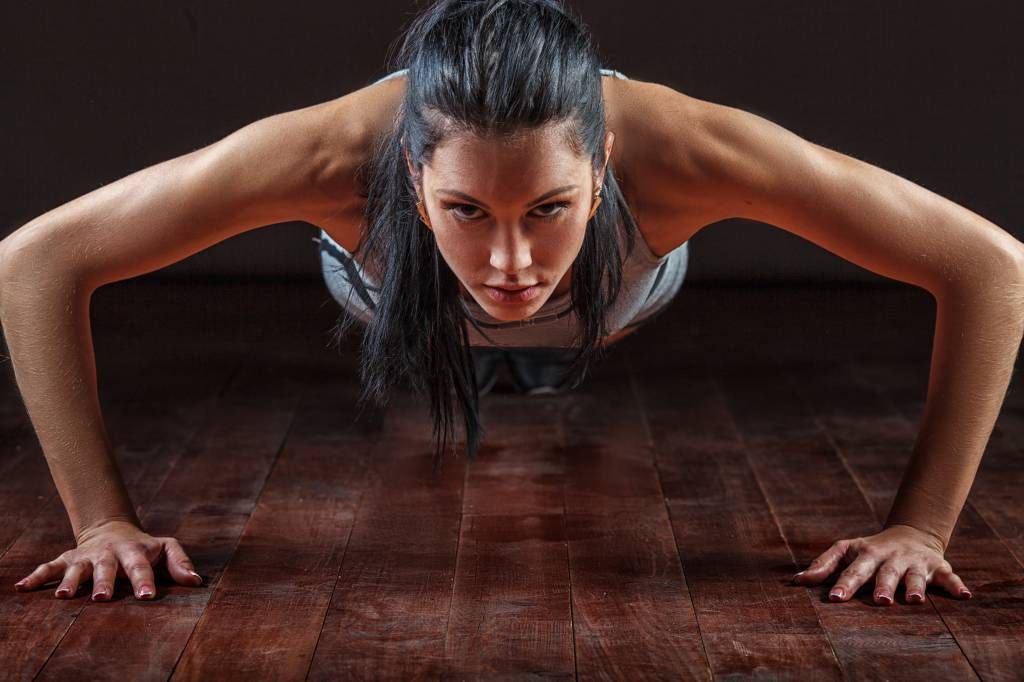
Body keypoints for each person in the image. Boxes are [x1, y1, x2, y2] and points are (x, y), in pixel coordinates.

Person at [2, 0, 1021, 613]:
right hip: (388, 299)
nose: (509, 261)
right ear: (409, 171)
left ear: (605, 162)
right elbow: (34, 261)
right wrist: (102, 522)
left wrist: (920, 530)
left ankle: (539, 307)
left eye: (549, 208)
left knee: (540, 321)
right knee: (468, 312)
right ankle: (481, 283)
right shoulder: (323, 155)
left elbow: (991, 266)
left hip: (616, 301)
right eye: (463, 209)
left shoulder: (691, 151)